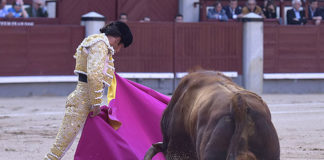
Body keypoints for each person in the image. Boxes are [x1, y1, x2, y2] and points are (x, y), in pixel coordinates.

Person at [44, 21, 133, 160]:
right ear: (118, 38)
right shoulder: (100, 44)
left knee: (87, 140)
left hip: (84, 99)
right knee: (61, 146)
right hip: (83, 101)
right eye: (121, 46)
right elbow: (94, 75)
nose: (118, 50)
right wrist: (96, 103)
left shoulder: (97, 42)